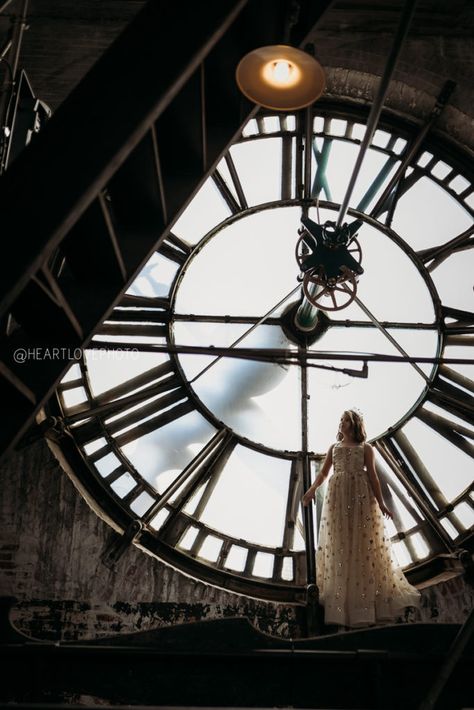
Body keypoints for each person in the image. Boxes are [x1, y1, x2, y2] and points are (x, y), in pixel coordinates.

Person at [303, 409, 421, 629]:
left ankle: (364, 607)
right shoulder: (334, 448)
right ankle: (343, 608)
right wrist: (311, 490)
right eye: (340, 419)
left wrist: (382, 503)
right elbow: (324, 474)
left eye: (346, 419)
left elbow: (374, 477)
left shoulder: (365, 448)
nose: (342, 423)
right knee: (340, 545)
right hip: (338, 499)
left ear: (355, 423)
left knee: (362, 547)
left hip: (360, 498)